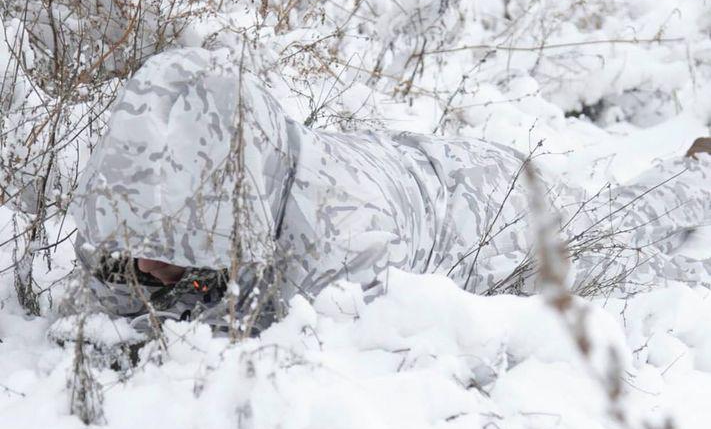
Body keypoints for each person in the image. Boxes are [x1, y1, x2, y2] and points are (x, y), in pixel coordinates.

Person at [70, 48, 711, 332]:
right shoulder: (191, 181)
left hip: (487, 209)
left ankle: (698, 174)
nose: (149, 264)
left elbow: (257, 339)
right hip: (414, 169)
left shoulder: (333, 252)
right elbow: (131, 292)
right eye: (145, 240)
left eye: (169, 242)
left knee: (618, 244)